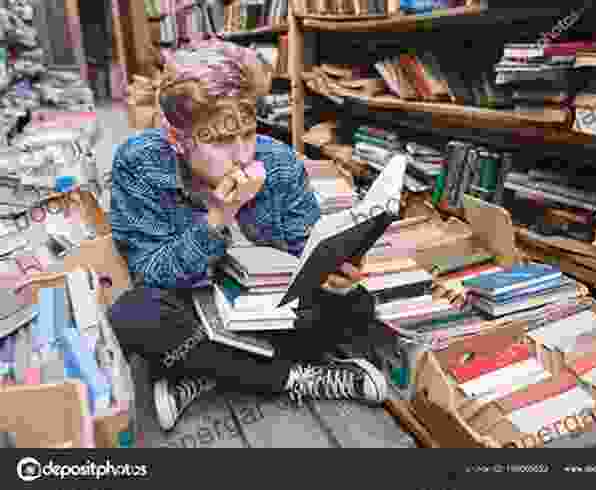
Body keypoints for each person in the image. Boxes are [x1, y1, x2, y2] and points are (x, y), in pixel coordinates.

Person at [107, 40, 388, 431]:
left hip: (263, 307)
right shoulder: (139, 163)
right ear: (177, 139)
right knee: (135, 315)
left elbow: (304, 246)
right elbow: (151, 270)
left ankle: (209, 372)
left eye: (248, 133)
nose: (241, 155)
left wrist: (329, 269)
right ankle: (298, 378)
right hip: (191, 309)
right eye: (220, 141)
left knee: (356, 305)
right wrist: (218, 217)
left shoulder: (280, 162)